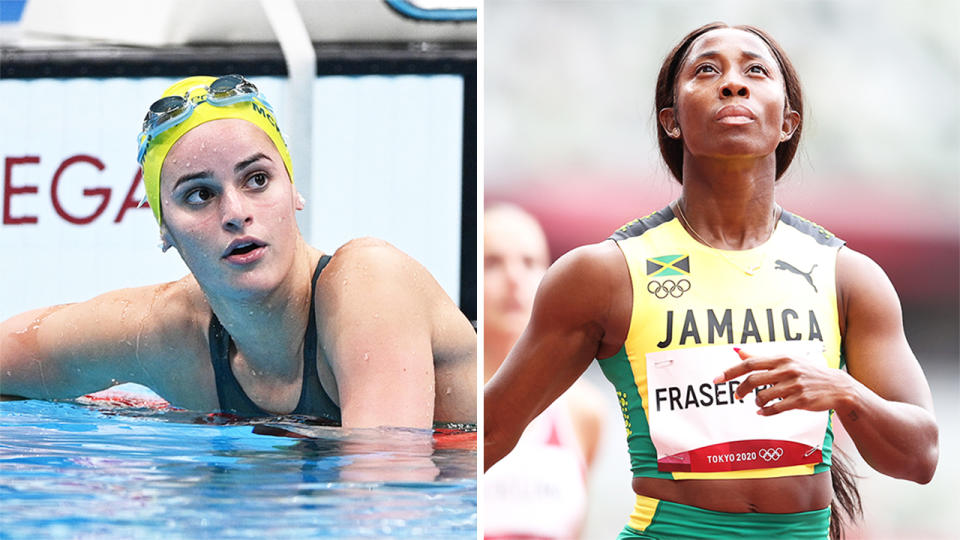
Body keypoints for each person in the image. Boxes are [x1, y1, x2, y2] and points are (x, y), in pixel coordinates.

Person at [484, 23, 938, 540]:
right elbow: (492, 432)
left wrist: (840, 388)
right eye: (706, 70)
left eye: (755, 71)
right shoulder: (604, 275)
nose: (732, 84)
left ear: (788, 123)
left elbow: (920, 457)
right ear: (671, 120)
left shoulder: (847, 277)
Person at [0, 75, 476, 429]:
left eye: (257, 180)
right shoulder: (166, 334)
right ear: (164, 229)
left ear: (294, 191)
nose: (235, 212)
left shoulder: (373, 284)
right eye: (199, 195)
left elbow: (384, 503)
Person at [482, 203, 605, 540]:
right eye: (492, 263)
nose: (513, 278)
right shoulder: (455, 402)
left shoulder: (584, 412)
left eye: (529, 262)